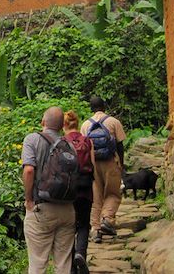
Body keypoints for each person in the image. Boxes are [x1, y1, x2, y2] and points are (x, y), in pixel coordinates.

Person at [21, 106, 76, 274]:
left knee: (38, 263)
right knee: (63, 264)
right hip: (67, 210)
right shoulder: (69, 145)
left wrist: (29, 200)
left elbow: (29, 170)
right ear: (61, 126)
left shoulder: (32, 139)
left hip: (41, 209)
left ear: (43, 122)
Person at [80, 97, 126, 243]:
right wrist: (122, 165)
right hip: (110, 162)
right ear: (104, 107)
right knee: (113, 193)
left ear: (91, 108)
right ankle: (107, 219)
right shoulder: (113, 122)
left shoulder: (85, 125)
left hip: (93, 165)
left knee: (96, 196)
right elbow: (120, 145)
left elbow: (84, 148)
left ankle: (95, 229)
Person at [63, 110, 94, 274]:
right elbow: (93, 164)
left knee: (68, 228)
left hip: (66, 191)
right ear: (78, 123)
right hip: (85, 189)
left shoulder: (60, 142)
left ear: (64, 125)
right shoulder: (87, 141)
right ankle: (81, 253)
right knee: (83, 225)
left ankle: (72, 266)